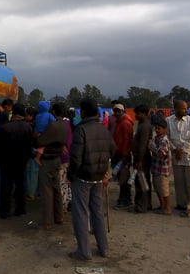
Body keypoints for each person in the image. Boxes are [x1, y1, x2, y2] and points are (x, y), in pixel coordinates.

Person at [67, 98, 116, 261]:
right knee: (97, 213)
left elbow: (75, 157)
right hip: (98, 176)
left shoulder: (81, 130)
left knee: (80, 213)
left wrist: (71, 175)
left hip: (83, 177)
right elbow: (112, 150)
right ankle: (104, 249)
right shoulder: (104, 129)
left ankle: (84, 251)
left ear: (83, 112)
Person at [0, 103, 34, 219]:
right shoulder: (28, 127)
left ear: (13, 112)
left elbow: (1, 147)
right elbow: (29, 145)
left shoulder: (5, 127)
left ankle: (5, 211)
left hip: (7, 161)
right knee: (20, 186)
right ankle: (20, 209)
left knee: (6, 187)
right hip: (21, 161)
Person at [167, 99, 190, 217]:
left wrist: (182, 151)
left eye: (186, 108)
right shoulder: (169, 121)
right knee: (179, 183)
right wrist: (175, 150)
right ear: (175, 109)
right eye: (183, 108)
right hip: (176, 156)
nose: (186, 110)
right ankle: (182, 204)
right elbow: (167, 138)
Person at [37, 102, 68, 229]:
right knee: (56, 189)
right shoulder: (65, 125)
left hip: (48, 159)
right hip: (57, 159)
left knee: (47, 191)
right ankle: (59, 216)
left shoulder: (53, 126)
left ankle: (47, 221)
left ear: (54, 111)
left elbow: (41, 140)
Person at [27, 101, 53, 200]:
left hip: (37, 141)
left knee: (33, 173)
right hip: (45, 141)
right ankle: (38, 193)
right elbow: (54, 123)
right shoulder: (49, 116)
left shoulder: (37, 117)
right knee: (40, 174)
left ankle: (31, 193)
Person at [111, 103, 134, 209]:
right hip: (119, 153)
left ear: (123, 111)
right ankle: (124, 199)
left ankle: (125, 200)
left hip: (122, 155)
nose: (116, 113)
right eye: (115, 111)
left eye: (118, 111)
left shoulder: (125, 123)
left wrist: (124, 155)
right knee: (122, 178)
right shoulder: (119, 122)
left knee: (123, 178)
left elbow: (126, 140)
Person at [149, 116, 172, 215]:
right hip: (156, 168)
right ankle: (161, 205)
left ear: (164, 129)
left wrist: (152, 147)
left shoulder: (164, 140)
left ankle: (167, 207)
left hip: (162, 169)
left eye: (159, 128)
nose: (157, 130)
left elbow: (161, 154)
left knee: (164, 189)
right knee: (157, 188)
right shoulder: (156, 138)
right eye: (156, 128)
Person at [132, 105, 153, 213]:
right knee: (142, 181)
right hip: (141, 157)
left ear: (144, 114)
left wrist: (139, 160)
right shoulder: (141, 124)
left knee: (141, 181)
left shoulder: (144, 126)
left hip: (142, 158)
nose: (136, 115)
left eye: (138, 113)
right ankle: (146, 204)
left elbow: (142, 145)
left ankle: (142, 205)